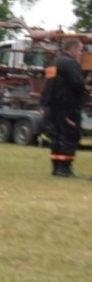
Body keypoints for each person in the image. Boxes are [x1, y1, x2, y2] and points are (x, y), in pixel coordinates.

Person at [42, 37, 86, 177]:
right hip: (68, 107)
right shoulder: (70, 63)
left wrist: (44, 105)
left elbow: (47, 86)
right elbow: (77, 84)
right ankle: (65, 169)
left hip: (53, 107)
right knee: (69, 136)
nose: (80, 53)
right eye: (80, 50)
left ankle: (56, 167)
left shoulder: (54, 62)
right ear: (72, 48)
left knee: (56, 136)